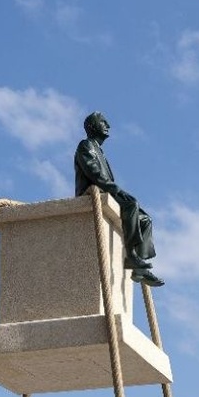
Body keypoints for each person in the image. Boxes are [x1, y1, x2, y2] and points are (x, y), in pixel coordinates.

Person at [74, 111, 164, 287]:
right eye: (103, 122)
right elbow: (95, 174)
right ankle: (131, 255)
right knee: (131, 204)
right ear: (92, 126)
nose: (108, 126)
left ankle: (139, 265)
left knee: (145, 220)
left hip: (105, 191)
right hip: (91, 193)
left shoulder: (99, 151)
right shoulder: (86, 146)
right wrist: (117, 191)